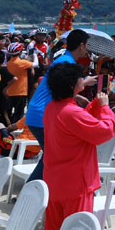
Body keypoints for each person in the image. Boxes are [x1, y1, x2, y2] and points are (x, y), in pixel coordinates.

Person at [42, 62, 115, 230]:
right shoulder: (71, 112)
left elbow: (79, 122)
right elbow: (105, 131)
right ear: (72, 85)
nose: (83, 79)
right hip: (75, 184)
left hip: (54, 181)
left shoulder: (52, 107)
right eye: (80, 78)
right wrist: (105, 108)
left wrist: (95, 105)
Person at [25, 29, 93, 183]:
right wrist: (86, 81)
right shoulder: (66, 62)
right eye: (87, 45)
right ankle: (31, 190)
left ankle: (41, 188)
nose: (87, 49)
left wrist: (77, 96)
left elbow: (57, 88)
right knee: (51, 156)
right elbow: (63, 86)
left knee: (51, 155)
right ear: (81, 45)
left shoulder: (64, 59)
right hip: (42, 115)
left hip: (39, 113)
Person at [5, 42, 33, 123]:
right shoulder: (23, 63)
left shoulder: (7, 64)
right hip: (21, 92)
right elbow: (35, 65)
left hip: (9, 92)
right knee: (19, 114)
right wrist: (34, 56)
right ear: (20, 52)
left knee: (9, 112)